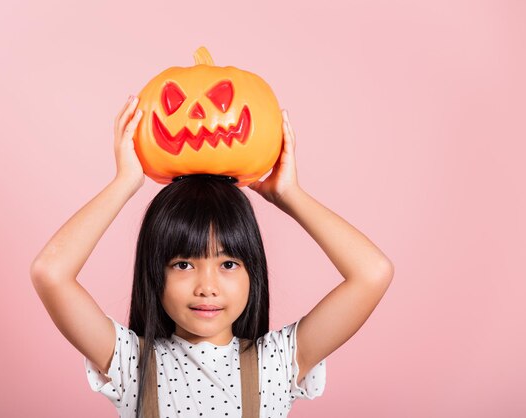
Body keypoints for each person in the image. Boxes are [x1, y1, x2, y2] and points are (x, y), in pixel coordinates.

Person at [30, 95, 394, 418]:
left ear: (255, 274)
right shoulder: (132, 364)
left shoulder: (277, 363)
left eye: (228, 264)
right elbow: (51, 272)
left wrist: (290, 195)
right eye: (184, 264)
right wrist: (124, 182)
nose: (207, 287)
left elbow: (373, 272)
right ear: (154, 273)